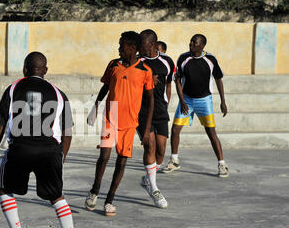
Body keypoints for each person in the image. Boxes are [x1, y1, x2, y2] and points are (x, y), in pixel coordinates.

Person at [0, 52, 81, 228]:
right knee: (57, 196)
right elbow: (67, 133)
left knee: (4, 189)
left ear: (25, 69)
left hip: (20, 149)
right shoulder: (59, 93)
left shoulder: (12, 89)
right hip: (50, 151)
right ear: (45, 70)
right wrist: (60, 159)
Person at [85, 31, 155, 217]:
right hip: (111, 116)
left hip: (130, 122)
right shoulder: (113, 65)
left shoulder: (145, 70)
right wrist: (96, 106)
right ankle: (94, 191)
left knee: (121, 161)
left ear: (132, 48)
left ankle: (109, 200)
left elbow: (150, 101)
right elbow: (106, 87)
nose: (118, 49)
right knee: (104, 156)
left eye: (121, 45)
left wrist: (146, 130)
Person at [163, 34, 229, 177]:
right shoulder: (183, 58)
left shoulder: (210, 59)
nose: (191, 44)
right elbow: (178, 80)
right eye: (191, 41)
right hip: (187, 99)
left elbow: (218, 79)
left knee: (211, 133)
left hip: (204, 101)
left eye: (194, 42)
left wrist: (223, 101)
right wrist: (182, 100)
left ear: (202, 45)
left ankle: (222, 164)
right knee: (175, 129)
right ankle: (174, 160)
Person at [137, 30, 175, 208]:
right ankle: (154, 188)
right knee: (150, 146)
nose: (140, 49)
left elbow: (170, 83)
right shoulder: (137, 62)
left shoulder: (167, 61)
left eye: (143, 46)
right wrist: (147, 79)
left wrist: (167, 103)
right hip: (142, 111)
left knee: (161, 150)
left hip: (160, 110)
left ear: (152, 44)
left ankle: (148, 177)